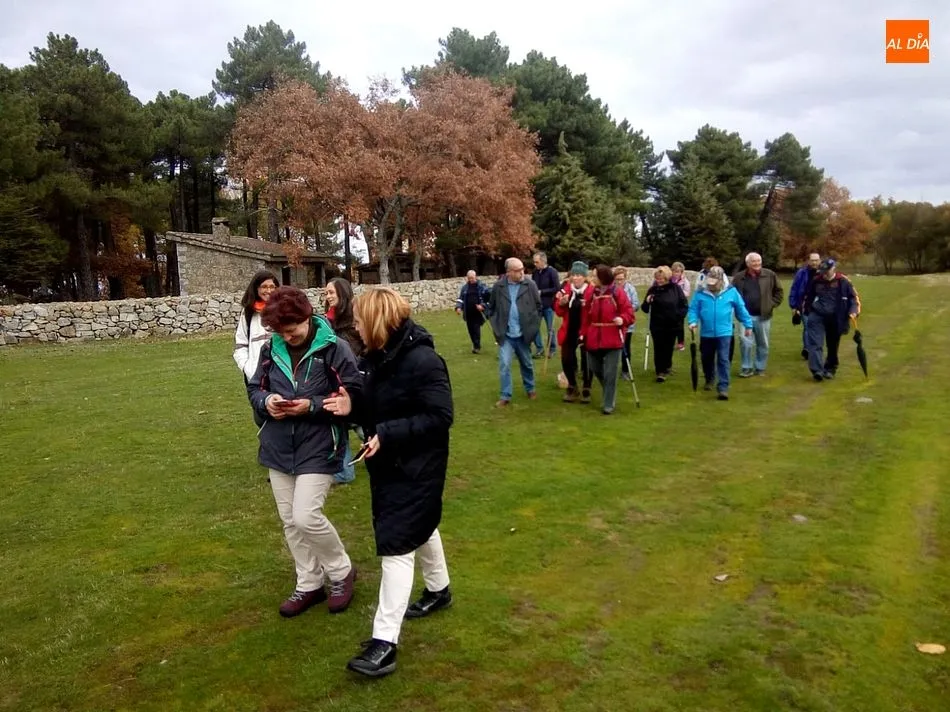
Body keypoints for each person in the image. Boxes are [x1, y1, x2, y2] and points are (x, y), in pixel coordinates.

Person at [323, 288, 454, 679]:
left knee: (397, 542)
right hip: (389, 465)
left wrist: (389, 433)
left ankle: (384, 642)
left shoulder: (424, 360)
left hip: (419, 465)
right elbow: (376, 404)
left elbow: (441, 416)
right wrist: (352, 408)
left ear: (378, 320)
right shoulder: (375, 357)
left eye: (361, 319)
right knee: (420, 524)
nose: (356, 326)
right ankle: (439, 589)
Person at [247, 287, 361, 619]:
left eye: (292, 328)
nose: (288, 335)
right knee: (289, 522)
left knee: (306, 516)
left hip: (320, 443)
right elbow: (256, 387)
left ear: (307, 316)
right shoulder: (271, 348)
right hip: (278, 445)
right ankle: (309, 582)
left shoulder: (334, 348)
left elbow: (352, 394)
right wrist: (267, 403)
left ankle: (341, 572)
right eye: (281, 331)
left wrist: (310, 406)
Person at [686, 266, 753, 401]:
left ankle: (723, 387)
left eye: (714, 283)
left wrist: (748, 325)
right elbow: (693, 309)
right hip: (706, 333)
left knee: (723, 359)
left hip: (725, 332)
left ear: (721, 280)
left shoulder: (731, 292)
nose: (711, 286)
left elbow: (741, 308)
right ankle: (709, 379)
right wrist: (693, 321)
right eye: (709, 282)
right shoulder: (700, 292)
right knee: (707, 358)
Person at [323, 277, 365, 484]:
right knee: (339, 422)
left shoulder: (354, 320)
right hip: (334, 381)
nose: (328, 297)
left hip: (354, 381)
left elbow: (363, 348)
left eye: (332, 293)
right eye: (327, 293)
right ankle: (343, 472)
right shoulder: (325, 322)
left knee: (361, 424)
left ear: (343, 293)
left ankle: (394, 454)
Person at [487, 257, 542, 407]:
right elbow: (491, 308)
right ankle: (505, 395)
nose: (522, 273)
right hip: (506, 335)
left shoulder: (530, 285)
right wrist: (496, 327)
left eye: (523, 269)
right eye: (518, 271)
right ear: (509, 272)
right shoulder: (499, 287)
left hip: (523, 334)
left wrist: (533, 327)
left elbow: (539, 307)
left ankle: (530, 388)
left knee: (527, 363)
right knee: (504, 364)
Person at [581, 265, 635, 414]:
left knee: (611, 372)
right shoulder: (591, 293)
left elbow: (629, 313)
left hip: (613, 338)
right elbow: (585, 315)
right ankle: (609, 391)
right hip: (593, 337)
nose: (592, 279)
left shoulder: (618, 293)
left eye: (594, 276)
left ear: (602, 278)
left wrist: (621, 319)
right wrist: (583, 333)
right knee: (595, 367)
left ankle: (608, 404)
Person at [802, 258, 860, 381]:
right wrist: (807, 310)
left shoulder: (843, 281)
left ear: (834, 268)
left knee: (832, 345)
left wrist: (853, 311)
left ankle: (830, 368)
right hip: (817, 315)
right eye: (823, 271)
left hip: (836, 317)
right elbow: (808, 297)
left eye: (827, 270)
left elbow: (853, 298)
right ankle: (817, 370)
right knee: (815, 343)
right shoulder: (816, 281)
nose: (824, 273)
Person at [731, 252, 784, 377]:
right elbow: (732, 294)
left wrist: (771, 304)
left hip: (763, 316)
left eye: (758, 260)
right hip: (745, 317)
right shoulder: (739, 277)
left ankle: (760, 367)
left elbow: (779, 292)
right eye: (753, 261)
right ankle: (746, 367)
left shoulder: (770, 275)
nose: (757, 263)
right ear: (747, 263)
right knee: (745, 342)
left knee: (763, 343)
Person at [554, 261, 594, 403]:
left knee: (587, 359)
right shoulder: (566, 289)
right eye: (574, 275)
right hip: (569, 329)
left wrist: (588, 305)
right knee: (566, 358)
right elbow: (558, 311)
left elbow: (594, 312)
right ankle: (572, 385)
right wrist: (561, 303)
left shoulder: (591, 290)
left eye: (579, 275)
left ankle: (587, 387)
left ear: (585, 276)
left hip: (585, 329)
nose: (576, 278)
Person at [641, 266, 689, 382]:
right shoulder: (653, 290)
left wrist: (678, 316)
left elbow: (684, 305)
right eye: (657, 278)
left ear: (667, 278)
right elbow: (645, 308)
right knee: (659, 347)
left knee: (668, 347)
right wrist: (648, 301)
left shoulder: (675, 288)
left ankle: (667, 366)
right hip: (657, 324)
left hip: (672, 324)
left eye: (661, 278)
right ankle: (660, 371)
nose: (659, 280)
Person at [233, 270, 280, 384]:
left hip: (281, 376)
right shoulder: (248, 313)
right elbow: (241, 344)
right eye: (264, 287)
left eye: (272, 287)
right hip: (255, 377)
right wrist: (247, 368)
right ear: (256, 288)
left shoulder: (283, 309)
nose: (268, 291)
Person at [788, 252, 821, 359]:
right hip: (805, 304)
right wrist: (794, 306)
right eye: (812, 260)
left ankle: (814, 347)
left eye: (816, 260)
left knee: (817, 328)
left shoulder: (824, 272)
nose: (814, 262)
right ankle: (807, 349)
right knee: (808, 326)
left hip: (821, 304)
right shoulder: (801, 273)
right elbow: (795, 288)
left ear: (819, 261)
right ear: (808, 261)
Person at [613, 267, 640, 381]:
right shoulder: (611, 289)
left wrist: (625, 311)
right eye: (617, 279)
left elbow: (636, 304)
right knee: (612, 348)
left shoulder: (630, 289)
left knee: (625, 347)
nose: (619, 282)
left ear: (625, 278)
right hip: (613, 324)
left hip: (627, 324)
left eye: (621, 279)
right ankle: (611, 370)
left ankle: (625, 370)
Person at [531, 251, 560, 359]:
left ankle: (551, 349)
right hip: (537, 305)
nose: (535, 264)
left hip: (549, 305)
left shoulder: (552, 272)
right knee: (535, 327)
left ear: (543, 261)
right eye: (534, 262)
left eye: (537, 262)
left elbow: (556, 288)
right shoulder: (535, 272)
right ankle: (539, 348)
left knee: (550, 328)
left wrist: (542, 292)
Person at [454, 270, 490, 353]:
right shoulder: (465, 288)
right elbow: (460, 299)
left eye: (472, 278)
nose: (471, 280)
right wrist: (458, 307)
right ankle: (474, 344)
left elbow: (488, 298)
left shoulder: (481, 286)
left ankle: (477, 347)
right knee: (470, 330)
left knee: (476, 328)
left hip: (478, 312)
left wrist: (482, 305)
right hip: (468, 312)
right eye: (469, 278)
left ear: (475, 277)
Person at [670, 262, 691, 351]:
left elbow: (687, 293)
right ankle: (670, 342)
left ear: (681, 272)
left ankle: (680, 343)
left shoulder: (685, 282)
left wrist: (678, 293)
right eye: (675, 271)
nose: (676, 273)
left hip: (680, 305)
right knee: (670, 325)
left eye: (678, 271)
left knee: (679, 325)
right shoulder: (669, 280)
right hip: (670, 305)